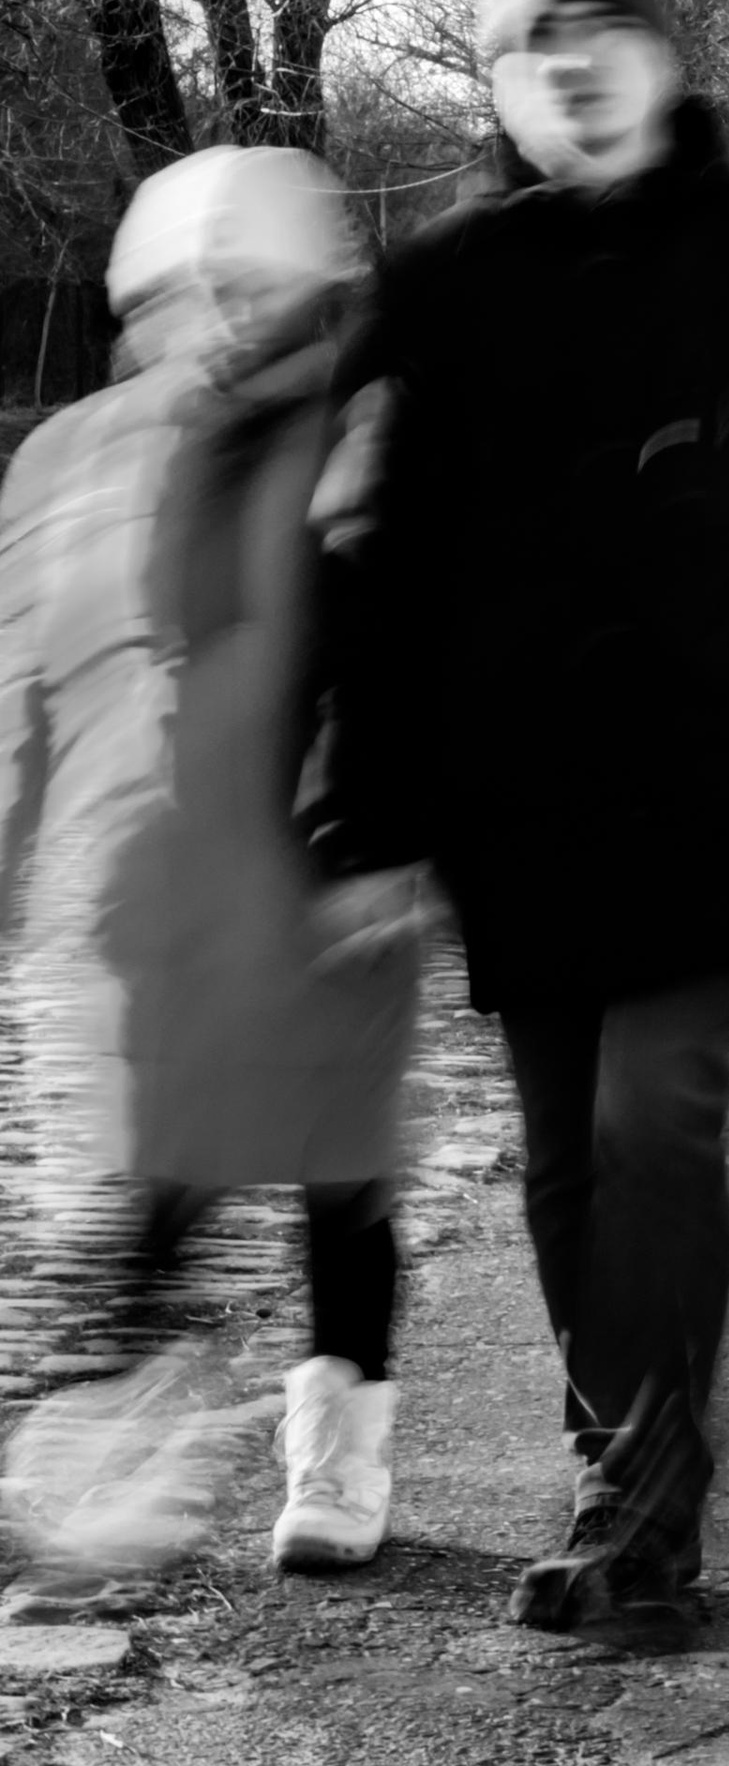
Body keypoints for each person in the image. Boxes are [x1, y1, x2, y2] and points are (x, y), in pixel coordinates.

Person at [320, 0, 729, 1649]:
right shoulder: (444, 288)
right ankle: (623, 1468)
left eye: (601, 35)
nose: (572, 70)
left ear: (660, 52)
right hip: (515, 807)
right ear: (502, 83)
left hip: (713, 795)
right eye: (533, 48)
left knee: (653, 1118)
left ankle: (645, 1516)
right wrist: (367, 814)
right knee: (562, 1164)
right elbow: (371, 559)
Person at [0, 148, 420, 1610]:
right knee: (159, 1163)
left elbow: (406, 652)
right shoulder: (75, 458)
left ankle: (336, 1455)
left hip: (322, 870)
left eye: (246, 282)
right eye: (188, 287)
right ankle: (104, 1429)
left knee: (339, 1176)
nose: (218, 311)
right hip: (148, 897)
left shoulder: (365, 431)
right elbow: (23, 684)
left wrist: (387, 837)